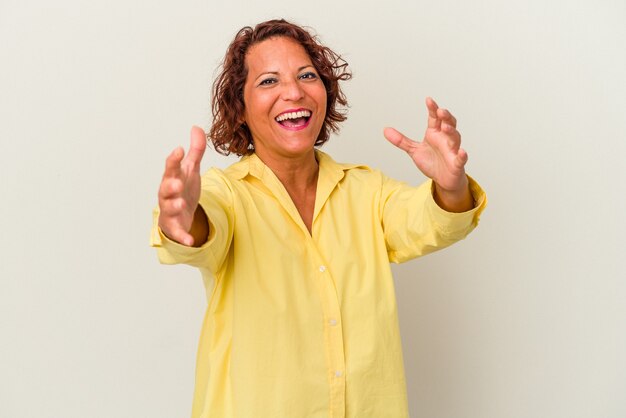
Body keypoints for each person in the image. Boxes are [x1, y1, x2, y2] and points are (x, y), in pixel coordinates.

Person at [151, 19, 486, 418]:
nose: (293, 92)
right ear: (239, 108)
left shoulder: (365, 190)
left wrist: (451, 186)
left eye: (307, 75)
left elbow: (429, 221)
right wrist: (183, 216)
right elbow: (205, 227)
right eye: (268, 81)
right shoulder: (228, 195)